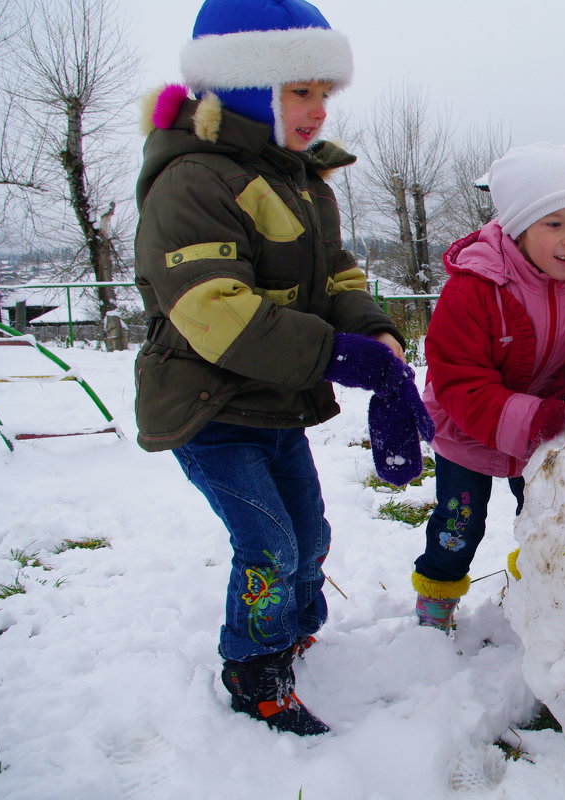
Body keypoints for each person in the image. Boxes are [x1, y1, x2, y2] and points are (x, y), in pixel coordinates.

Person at [133, 0, 432, 735]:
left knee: (311, 534)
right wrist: (333, 354)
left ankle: (294, 626)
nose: (318, 110)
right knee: (269, 544)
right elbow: (215, 309)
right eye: (301, 91)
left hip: (276, 403)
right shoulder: (194, 181)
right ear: (244, 87)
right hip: (208, 406)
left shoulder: (302, 182)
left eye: (325, 93)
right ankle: (254, 665)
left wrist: (372, 333)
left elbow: (335, 275)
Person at [415, 142, 565, 632]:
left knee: (545, 519)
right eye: (554, 224)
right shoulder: (475, 286)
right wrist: (531, 416)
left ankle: (538, 592)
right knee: (459, 526)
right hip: (467, 429)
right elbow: (458, 376)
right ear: (519, 226)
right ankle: (436, 604)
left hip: (543, 429)